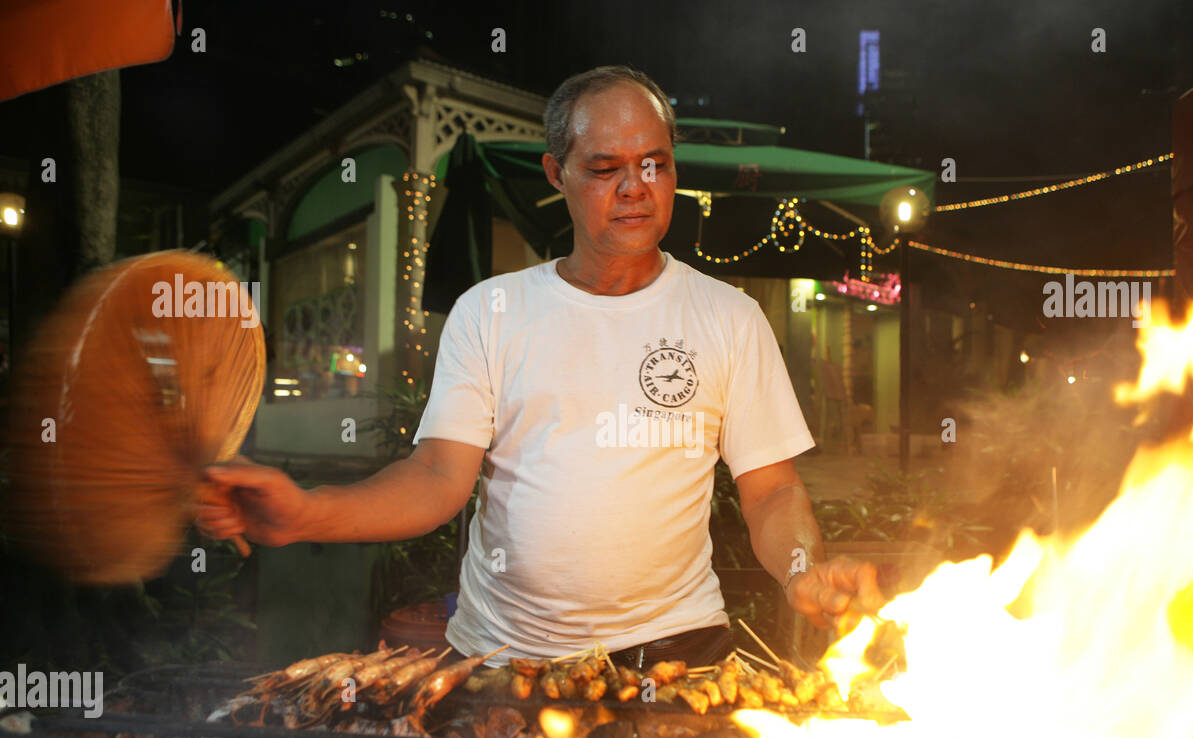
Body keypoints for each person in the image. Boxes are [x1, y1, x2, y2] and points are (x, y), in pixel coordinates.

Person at [199, 65, 884, 666]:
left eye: (654, 163)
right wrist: (305, 513)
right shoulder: (490, 311)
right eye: (605, 167)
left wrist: (801, 570)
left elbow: (771, 492)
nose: (635, 188)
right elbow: (438, 479)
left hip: (677, 652)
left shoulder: (728, 318)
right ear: (557, 173)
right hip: (505, 659)